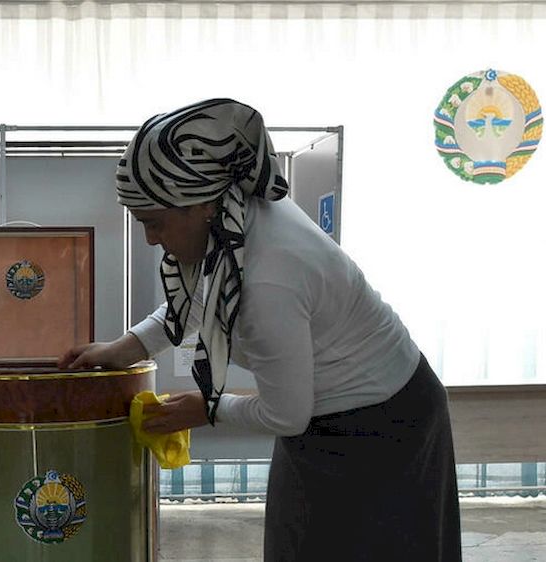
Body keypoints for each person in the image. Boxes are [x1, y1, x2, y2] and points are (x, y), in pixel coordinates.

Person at [59, 99, 462, 561]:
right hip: (325, 420)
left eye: (155, 223)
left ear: (202, 205)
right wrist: (126, 347)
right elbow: (201, 298)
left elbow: (285, 415)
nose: (151, 239)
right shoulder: (236, 219)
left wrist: (206, 409)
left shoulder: (271, 275)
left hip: (384, 427)